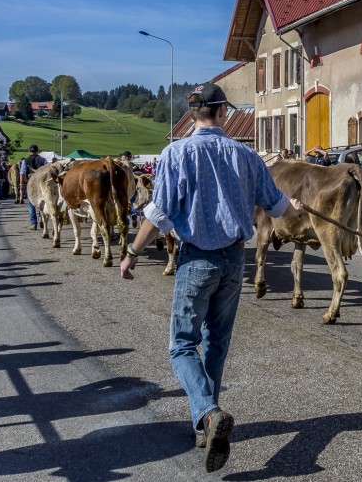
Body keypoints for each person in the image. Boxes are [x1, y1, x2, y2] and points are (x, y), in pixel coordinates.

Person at [119, 83, 303, 473]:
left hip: (196, 260)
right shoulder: (246, 154)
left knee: (182, 346)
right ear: (223, 112)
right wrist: (296, 209)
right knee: (216, 343)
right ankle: (205, 425)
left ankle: (207, 411)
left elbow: (160, 214)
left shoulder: (177, 152)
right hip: (235, 261)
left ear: (194, 113)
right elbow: (277, 204)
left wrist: (133, 252)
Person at [21, 145, 47, 229]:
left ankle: (33, 223)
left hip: (30, 183)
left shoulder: (25, 160)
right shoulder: (43, 160)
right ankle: (41, 218)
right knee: (42, 201)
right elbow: (46, 171)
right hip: (41, 183)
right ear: (37, 151)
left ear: (29, 151)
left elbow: (22, 172)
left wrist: (21, 184)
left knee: (31, 203)